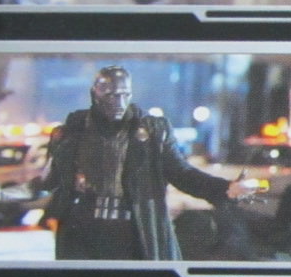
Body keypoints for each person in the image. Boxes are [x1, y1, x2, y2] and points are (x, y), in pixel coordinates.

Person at [43, 65, 256, 260]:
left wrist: (225, 188)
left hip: (134, 230)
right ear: (96, 93)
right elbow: (50, 181)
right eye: (112, 95)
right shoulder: (73, 131)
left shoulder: (153, 132)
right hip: (83, 231)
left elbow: (181, 173)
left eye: (125, 94)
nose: (119, 102)